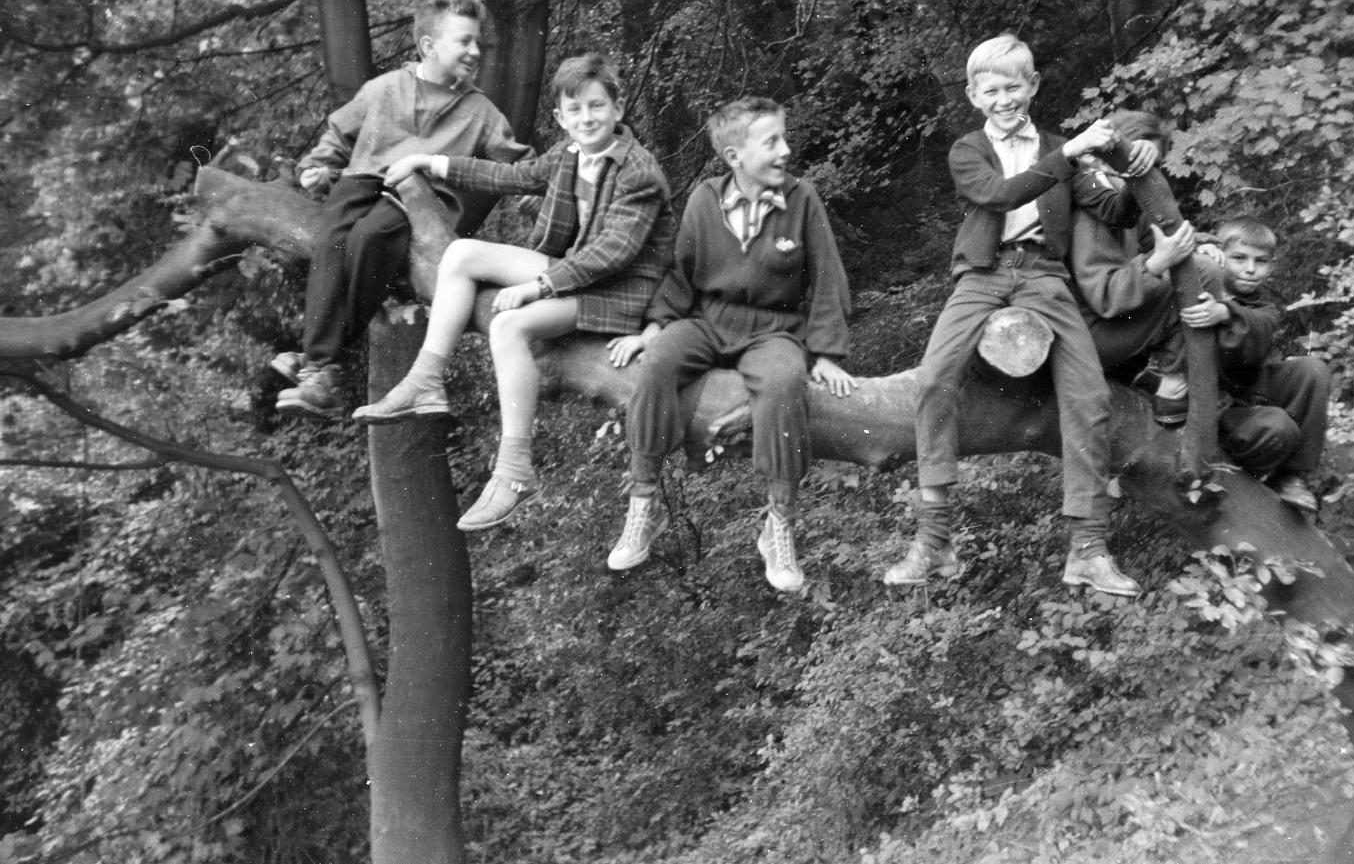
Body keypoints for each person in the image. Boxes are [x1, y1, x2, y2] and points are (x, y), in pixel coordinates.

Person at [351, 52, 674, 531]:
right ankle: (426, 379)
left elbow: (614, 253)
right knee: (459, 256)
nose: (587, 118)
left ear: (618, 109)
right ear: (561, 119)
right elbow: (510, 177)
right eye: (576, 110)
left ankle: (516, 470)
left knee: (508, 326)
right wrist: (429, 162)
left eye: (597, 106)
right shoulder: (569, 156)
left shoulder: (638, 171)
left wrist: (537, 287)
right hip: (574, 271)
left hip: (622, 292)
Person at [883, 34, 1156, 597]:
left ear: (1032, 86)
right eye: (991, 90)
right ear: (973, 95)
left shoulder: (1060, 147)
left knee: (1089, 393)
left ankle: (1088, 549)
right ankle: (934, 541)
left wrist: (1134, 169)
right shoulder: (968, 150)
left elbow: (1111, 207)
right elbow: (1002, 196)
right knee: (934, 378)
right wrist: (1071, 154)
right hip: (981, 275)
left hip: (1042, 277)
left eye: (1014, 86)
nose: (1003, 98)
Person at [605, 97, 857, 593]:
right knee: (657, 362)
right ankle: (644, 503)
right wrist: (654, 327)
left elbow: (829, 278)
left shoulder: (802, 199)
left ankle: (779, 523)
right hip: (707, 320)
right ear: (733, 156)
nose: (785, 150)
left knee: (785, 381)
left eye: (784, 138)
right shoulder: (705, 199)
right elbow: (681, 274)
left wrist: (825, 354)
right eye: (772, 142)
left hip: (773, 329)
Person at [275, 0, 524, 420]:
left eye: (477, 43)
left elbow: (518, 164)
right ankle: (319, 368)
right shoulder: (385, 88)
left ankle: (315, 364)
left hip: (417, 198)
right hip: (361, 181)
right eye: (464, 42)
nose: (475, 52)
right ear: (429, 46)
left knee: (372, 236)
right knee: (333, 238)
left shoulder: (480, 111)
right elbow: (339, 135)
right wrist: (313, 169)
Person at [1070, 109, 1225, 427]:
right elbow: (1107, 296)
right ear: (1101, 162)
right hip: (1086, 339)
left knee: (1206, 266)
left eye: (1150, 166)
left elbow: (1157, 242)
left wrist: (1196, 248)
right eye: (1134, 163)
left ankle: (1158, 377)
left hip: (1112, 329)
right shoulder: (1090, 214)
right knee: (1204, 273)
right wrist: (1159, 263)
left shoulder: (1129, 204)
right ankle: (1172, 386)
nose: (1145, 175)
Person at [1182, 217, 1329, 514]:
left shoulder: (1265, 310)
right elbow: (1171, 242)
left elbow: (1258, 326)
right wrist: (1203, 245)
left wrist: (1225, 312)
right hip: (1204, 409)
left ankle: (1290, 477)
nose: (1250, 269)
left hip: (1244, 407)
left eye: (1260, 261)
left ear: (1271, 267)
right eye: (1238, 258)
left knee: (1313, 370)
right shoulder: (1194, 279)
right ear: (1221, 256)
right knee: (1279, 427)